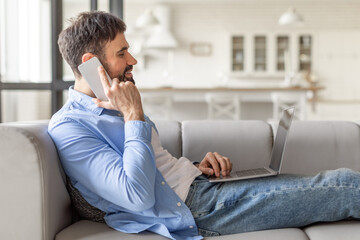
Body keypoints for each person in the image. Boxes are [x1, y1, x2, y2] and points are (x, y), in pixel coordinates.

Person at [49, 11, 360, 240]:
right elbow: (136, 196)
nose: (133, 60)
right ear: (90, 63)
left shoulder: (116, 102)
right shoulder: (70, 128)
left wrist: (196, 167)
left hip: (201, 187)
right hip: (199, 208)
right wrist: (133, 117)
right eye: (121, 53)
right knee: (345, 186)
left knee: (335, 183)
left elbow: (156, 170)